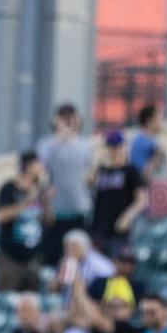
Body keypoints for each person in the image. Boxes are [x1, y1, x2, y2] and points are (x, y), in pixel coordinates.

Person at [36, 104, 94, 266]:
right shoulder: (46, 144)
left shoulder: (84, 145)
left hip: (79, 210)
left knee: (78, 258)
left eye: (71, 118)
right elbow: (41, 172)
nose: (68, 122)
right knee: (52, 258)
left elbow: (89, 174)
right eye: (64, 118)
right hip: (56, 212)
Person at [0, 151, 51, 291]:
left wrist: (47, 201)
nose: (41, 168)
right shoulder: (9, 188)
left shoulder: (40, 189)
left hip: (33, 259)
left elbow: (48, 220)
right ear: (28, 166)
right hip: (11, 257)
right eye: (38, 164)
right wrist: (27, 201)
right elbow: (2, 216)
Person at [89, 131, 148, 257]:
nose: (114, 151)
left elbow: (142, 200)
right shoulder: (102, 170)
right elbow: (88, 181)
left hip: (120, 230)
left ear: (123, 147)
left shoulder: (131, 170)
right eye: (110, 147)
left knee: (117, 267)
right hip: (99, 228)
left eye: (117, 147)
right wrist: (98, 162)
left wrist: (128, 216)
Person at [70, 273, 141, 333]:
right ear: (105, 308)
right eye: (111, 306)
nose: (115, 311)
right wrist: (75, 290)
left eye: (121, 306)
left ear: (131, 310)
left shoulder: (129, 329)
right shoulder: (101, 326)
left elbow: (96, 320)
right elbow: (73, 318)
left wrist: (80, 292)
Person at [51, 229, 114, 304]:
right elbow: (55, 289)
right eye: (66, 248)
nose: (69, 251)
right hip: (67, 304)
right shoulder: (67, 261)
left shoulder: (100, 264)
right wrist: (60, 276)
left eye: (73, 247)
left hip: (92, 304)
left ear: (84, 246)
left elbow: (104, 289)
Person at [129, 104, 164, 177]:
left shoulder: (155, 140)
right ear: (149, 121)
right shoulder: (139, 143)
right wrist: (156, 156)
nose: (161, 123)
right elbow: (140, 174)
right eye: (159, 119)